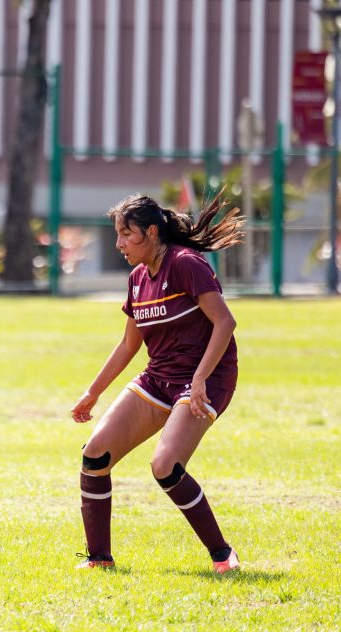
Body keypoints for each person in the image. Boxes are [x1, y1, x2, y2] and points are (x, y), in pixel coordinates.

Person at [71, 190, 245, 574]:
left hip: (207, 377)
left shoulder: (186, 264)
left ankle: (222, 555)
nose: (118, 244)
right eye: (116, 234)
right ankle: (99, 558)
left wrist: (200, 380)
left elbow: (225, 322)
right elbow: (129, 344)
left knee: (165, 464)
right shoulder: (137, 278)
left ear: (151, 232)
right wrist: (93, 392)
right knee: (95, 454)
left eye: (125, 234)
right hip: (159, 377)